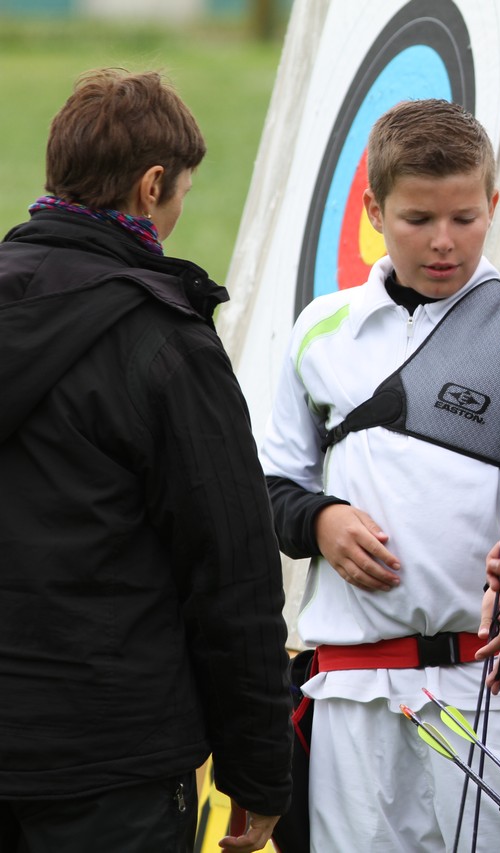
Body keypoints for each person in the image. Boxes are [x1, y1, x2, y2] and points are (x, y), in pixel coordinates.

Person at [258, 98, 500, 851]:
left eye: (466, 218)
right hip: (352, 692)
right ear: (372, 209)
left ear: (493, 205)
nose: (445, 243)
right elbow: (270, 490)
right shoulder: (321, 329)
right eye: (417, 219)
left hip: (495, 683)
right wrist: (320, 520)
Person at [0, 69, 292, 853]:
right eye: (181, 193)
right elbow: (232, 574)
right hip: (112, 764)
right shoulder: (163, 343)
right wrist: (260, 772)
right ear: (150, 184)